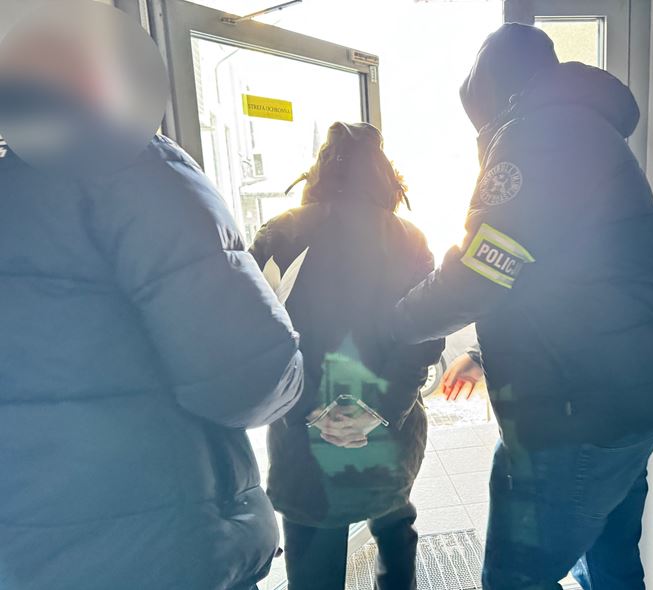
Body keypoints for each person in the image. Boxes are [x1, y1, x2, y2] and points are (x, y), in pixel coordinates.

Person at [385, 23, 653, 590]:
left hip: (577, 411)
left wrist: (393, 324)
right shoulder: (584, 131)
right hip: (632, 396)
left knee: (515, 578)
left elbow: (479, 272)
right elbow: (563, 274)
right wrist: (485, 354)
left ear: (493, 95)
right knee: (610, 564)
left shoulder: (537, 136)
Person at [0, 11, 303, 588]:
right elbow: (248, 379)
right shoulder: (136, 168)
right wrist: (289, 365)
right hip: (166, 547)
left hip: (26, 556)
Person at [249, 122, 444, 590]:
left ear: (320, 171)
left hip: (305, 437)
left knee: (313, 557)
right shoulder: (409, 239)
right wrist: (377, 410)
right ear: (383, 175)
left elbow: (257, 336)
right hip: (388, 430)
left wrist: (309, 410)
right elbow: (423, 339)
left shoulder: (281, 233)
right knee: (394, 531)